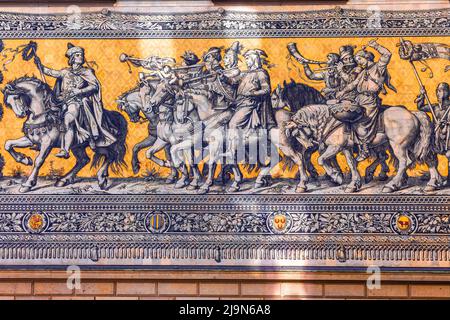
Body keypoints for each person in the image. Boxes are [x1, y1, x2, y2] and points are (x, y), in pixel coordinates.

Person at [34, 43, 116, 158]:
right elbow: (52, 73)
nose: (80, 57)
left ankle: (65, 150)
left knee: (68, 120)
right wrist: (40, 66)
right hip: (60, 102)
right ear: (72, 58)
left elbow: (95, 86)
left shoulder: (87, 72)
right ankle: (39, 141)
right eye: (77, 55)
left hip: (76, 102)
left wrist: (80, 91)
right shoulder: (65, 72)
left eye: (81, 55)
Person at [336, 39, 396, 161]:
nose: (359, 63)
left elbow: (387, 55)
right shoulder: (363, 72)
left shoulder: (378, 68)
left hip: (370, 101)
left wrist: (375, 45)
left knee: (363, 122)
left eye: (359, 60)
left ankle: (365, 149)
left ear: (366, 58)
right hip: (358, 99)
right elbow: (353, 84)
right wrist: (343, 91)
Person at [416, 82, 450, 153]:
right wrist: (422, 95)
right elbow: (420, 107)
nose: (438, 93)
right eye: (438, 91)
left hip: (447, 136)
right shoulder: (435, 107)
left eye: (441, 90)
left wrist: (445, 124)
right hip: (434, 136)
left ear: (447, 92)